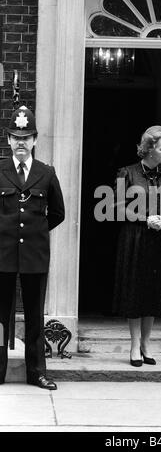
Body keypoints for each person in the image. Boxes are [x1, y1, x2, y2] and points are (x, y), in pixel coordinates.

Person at [0, 105, 65, 390]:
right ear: (8, 140)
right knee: (0, 317)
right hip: (2, 253)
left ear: (35, 140)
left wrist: (37, 232)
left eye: (26, 137)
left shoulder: (46, 173)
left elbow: (58, 213)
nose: (21, 142)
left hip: (35, 254)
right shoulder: (0, 169)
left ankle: (37, 371)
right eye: (16, 137)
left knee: (35, 315)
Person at [113, 125, 161, 367]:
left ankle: (147, 344)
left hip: (158, 240)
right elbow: (116, 208)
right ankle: (134, 345)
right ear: (150, 149)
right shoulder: (126, 173)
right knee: (135, 291)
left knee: (153, 291)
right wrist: (144, 219)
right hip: (135, 238)